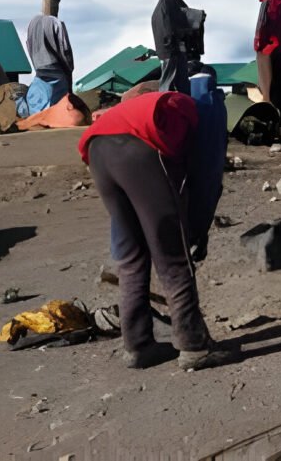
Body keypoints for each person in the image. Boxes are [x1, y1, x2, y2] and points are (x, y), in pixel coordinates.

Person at [78, 76, 234, 369]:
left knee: (132, 257)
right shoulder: (206, 108)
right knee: (173, 256)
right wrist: (196, 233)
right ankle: (194, 347)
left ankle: (138, 346)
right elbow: (207, 175)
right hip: (138, 147)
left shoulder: (149, 105)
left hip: (96, 149)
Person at [23, 0, 74, 115]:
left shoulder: (33, 22)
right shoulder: (56, 23)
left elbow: (28, 44)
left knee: (40, 94)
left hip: (39, 67)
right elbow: (65, 49)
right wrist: (69, 68)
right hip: (54, 67)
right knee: (61, 96)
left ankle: (37, 115)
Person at [152, 0, 193, 95]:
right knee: (168, 82)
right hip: (170, 50)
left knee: (179, 80)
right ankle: (164, 105)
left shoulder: (171, 2)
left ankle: (184, 104)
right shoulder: (166, 4)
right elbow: (167, 29)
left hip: (173, 49)